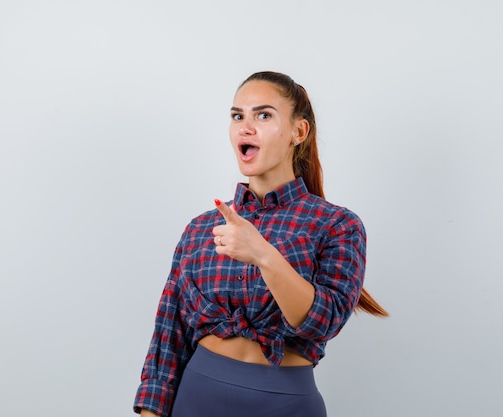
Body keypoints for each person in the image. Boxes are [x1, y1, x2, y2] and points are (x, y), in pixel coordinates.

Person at [133, 71, 388, 417]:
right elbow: (168, 336)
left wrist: (263, 254)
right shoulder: (201, 228)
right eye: (238, 116)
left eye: (263, 115)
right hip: (196, 398)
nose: (245, 127)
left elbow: (323, 321)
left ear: (298, 132)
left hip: (286, 405)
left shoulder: (338, 225)